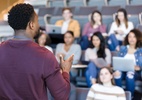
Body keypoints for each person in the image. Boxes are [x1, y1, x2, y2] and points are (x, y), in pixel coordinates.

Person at [0, 3, 74, 100]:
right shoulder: (45, 55)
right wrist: (65, 71)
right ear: (31, 25)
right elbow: (61, 95)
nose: (39, 25)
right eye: (37, 21)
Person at [113, 29, 142, 96]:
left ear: (138, 38)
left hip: (135, 73)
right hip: (122, 71)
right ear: (127, 38)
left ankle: (130, 96)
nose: (131, 39)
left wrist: (139, 67)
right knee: (117, 73)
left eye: (134, 37)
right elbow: (118, 61)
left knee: (130, 74)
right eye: (130, 36)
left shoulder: (140, 50)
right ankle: (119, 95)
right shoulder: (123, 48)